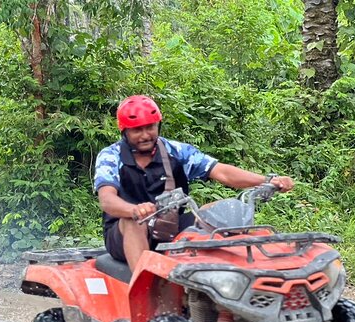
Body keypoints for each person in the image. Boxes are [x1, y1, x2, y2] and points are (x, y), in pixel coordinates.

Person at [94, 95, 294, 271]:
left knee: (219, 209)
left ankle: (238, 276)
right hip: (124, 233)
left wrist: (267, 180)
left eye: (150, 127)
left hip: (169, 227)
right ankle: (146, 290)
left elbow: (222, 171)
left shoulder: (176, 151)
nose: (145, 135)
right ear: (125, 131)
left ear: (158, 126)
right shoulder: (111, 156)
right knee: (134, 222)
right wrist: (134, 210)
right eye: (137, 130)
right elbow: (107, 200)